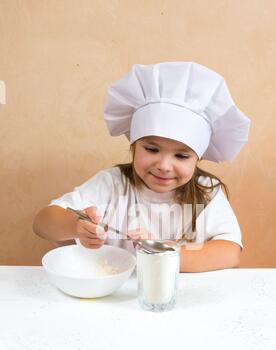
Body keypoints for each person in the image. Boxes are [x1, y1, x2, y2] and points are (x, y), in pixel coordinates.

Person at [33, 61, 251, 273]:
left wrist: (166, 254)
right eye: (152, 150)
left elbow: (230, 252)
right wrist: (75, 227)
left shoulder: (207, 191)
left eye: (182, 155)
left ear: (198, 158)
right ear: (134, 146)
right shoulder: (113, 183)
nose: (164, 166)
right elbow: (43, 222)